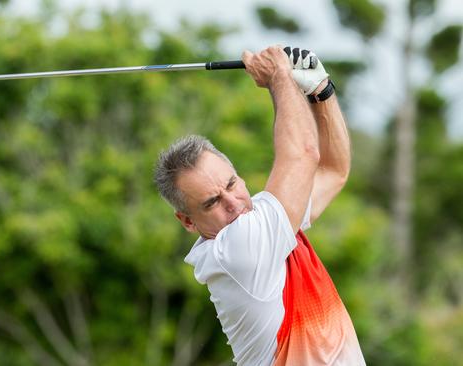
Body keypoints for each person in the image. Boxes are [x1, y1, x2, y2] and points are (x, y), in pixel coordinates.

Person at [154, 46, 366, 365]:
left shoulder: (269, 223)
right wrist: (278, 76)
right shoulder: (240, 249)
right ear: (187, 221)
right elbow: (304, 154)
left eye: (231, 184)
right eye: (212, 202)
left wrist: (320, 91)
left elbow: (333, 171)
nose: (234, 203)